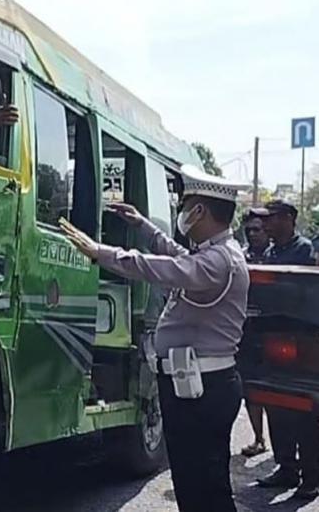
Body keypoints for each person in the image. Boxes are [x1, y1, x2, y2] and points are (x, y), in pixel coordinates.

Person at [60, 164, 248, 512]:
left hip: (202, 390)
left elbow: (160, 267)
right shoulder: (215, 253)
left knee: (205, 487)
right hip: (193, 386)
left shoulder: (220, 262)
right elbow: (177, 255)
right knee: (194, 484)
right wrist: (141, 224)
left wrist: (100, 252)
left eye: (185, 204)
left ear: (199, 210)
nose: (181, 212)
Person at [252, 199, 319, 499]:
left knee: (305, 409)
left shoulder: (305, 251)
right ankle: (286, 468)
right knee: (275, 404)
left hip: (302, 341)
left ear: (290, 219)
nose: (265, 224)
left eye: (272, 218)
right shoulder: (269, 253)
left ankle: (311, 475)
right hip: (271, 340)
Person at [239, 212, 269, 457]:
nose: (253, 234)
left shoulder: (277, 255)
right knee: (250, 390)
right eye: (249, 230)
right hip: (247, 332)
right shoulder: (241, 255)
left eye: (257, 229)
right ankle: (259, 438)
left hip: (274, 332)